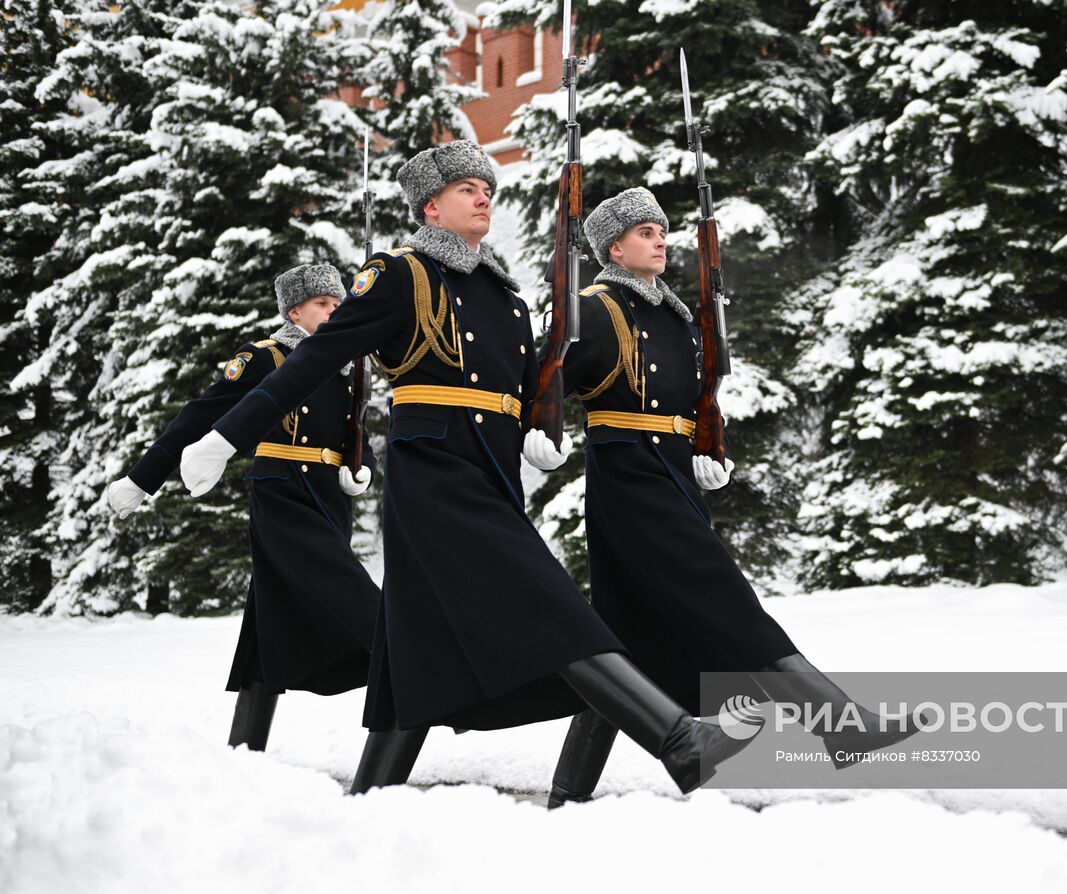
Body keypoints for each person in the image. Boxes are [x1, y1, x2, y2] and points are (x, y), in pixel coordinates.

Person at [176, 141, 759, 796]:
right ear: (431, 206)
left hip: (492, 477)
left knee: (413, 652)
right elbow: (315, 361)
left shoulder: (505, 298)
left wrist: (543, 429)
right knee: (551, 605)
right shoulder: (401, 275)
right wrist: (226, 437)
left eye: (488, 187)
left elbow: (537, 384)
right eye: (466, 189)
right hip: (434, 479)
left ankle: (370, 796)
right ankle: (679, 741)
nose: (485, 196)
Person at [525, 187, 919, 808]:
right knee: (725, 596)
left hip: (674, 474)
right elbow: (543, 378)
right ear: (613, 249)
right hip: (629, 479)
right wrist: (537, 430)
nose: (660, 239)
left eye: (662, 229)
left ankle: (566, 798)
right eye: (645, 232)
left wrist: (709, 446)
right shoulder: (596, 309)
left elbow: (699, 396)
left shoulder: (678, 313)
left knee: (623, 641)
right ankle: (839, 726)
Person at [104, 264, 379, 751]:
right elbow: (199, 416)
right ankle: (416, 663)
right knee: (355, 598)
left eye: (339, 305)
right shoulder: (267, 357)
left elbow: (355, 429)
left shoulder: (346, 365)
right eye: (322, 304)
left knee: (266, 621)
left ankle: (243, 749)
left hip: (331, 500)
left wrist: (362, 468)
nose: (334, 312)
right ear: (294, 311)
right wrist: (141, 480)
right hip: (282, 495)